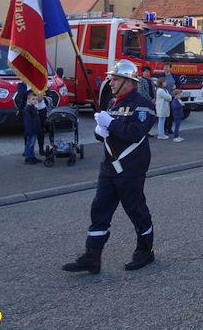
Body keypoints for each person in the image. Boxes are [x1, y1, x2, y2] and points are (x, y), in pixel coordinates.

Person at [62, 59, 157, 274]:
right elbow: (108, 133)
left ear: (128, 81)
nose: (110, 83)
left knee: (136, 209)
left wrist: (110, 124)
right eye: (111, 79)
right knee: (99, 209)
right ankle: (92, 256)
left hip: (131, 166)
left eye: (115, 79)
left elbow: (135, 133)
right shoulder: (113, 102)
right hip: (109, 166)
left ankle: (145, 250)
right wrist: (100, 131)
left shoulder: (142, 104)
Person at [160, 62, 180, 135]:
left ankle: (169, 128)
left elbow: (179, 85)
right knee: (165, 113)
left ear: (170, 68)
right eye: (165, 67)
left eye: (167, 67)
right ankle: (165, 129)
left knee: (171, 113)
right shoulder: (161, 76)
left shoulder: (174, 76)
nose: (166, 68)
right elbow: (158, 85)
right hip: (164, 97)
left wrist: (176, 87)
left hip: (172, 97)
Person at [22, 91, 42, 164]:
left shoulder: (33, 108)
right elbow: (27, 121)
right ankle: (28, 158)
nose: (35, 101)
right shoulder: (28, 109)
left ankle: (32, 156)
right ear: (28, 100)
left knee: (32, 144)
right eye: (33, 99)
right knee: (30, 144)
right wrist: (29, 130)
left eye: (36, 99)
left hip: (34, 129)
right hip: (31, 130)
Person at [36, 90, 50, 156]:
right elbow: (23, 93)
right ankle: (27, 151)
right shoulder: (27, 81)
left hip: (42, 109)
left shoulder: (41, 80)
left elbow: (48, 90)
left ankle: (41, 149)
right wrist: (36, 96)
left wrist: (43, 94)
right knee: (29, 131)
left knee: (41, 130)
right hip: (31, 107)